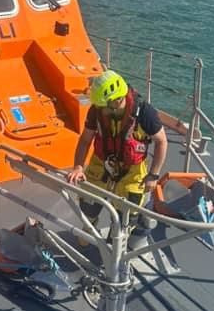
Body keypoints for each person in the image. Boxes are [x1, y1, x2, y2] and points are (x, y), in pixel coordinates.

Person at [67, 68, 168, 233]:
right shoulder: (97, 111)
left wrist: (153, 175)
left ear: (116, 101)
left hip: (132, 171)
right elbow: (85, 140)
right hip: (101, 164)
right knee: (88, 207)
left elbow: (161, 141)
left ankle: (120, 239)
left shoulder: (144, 112)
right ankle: (89, 229)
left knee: (127, 216)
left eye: (102, 106)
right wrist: (78, 167)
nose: (99, 109)